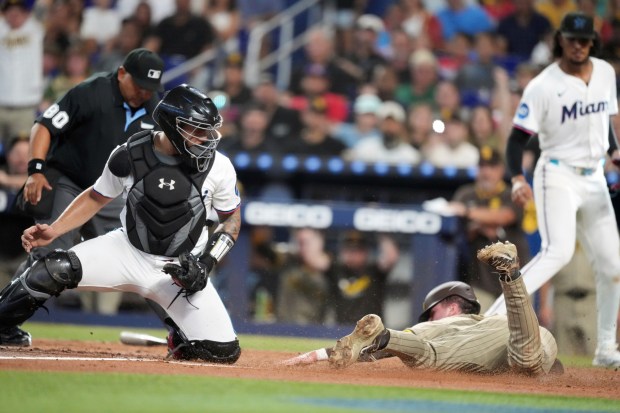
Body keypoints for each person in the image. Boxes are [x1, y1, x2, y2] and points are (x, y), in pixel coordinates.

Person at [0, 84, 243, 364]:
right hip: (126, 251)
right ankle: (3, 326)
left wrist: (206, 263)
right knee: (52, 269)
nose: (206, 138)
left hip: (180, 268)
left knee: (221, 352)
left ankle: (180, 337)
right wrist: (54, 230)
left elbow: (231, 219)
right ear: (171, 125)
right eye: (196, 130)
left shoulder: (220, 166)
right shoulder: (129, 154)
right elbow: (95, 196)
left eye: (208, 130)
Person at [486, 12, 620, 368]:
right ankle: (490, 322)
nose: (579, 45)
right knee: (557, 252)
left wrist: (614, 151)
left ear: (592, 41)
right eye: (573, 39)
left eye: (585, 39)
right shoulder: (543, 85)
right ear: (561, 40)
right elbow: (517, 140)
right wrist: (517, 178)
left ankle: (606, 349)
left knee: (613, 266)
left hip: (594, 177)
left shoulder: (605, 73)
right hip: (556, 173)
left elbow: (603, 120)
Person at [7, 48, 164, 342]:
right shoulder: (90, 93)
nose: (144, 92)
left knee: (147, 257)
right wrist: (36, 170)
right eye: (139, 85)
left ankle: (181, 332)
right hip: (73, 181)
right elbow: (44, 126)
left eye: (150, 88)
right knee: (50, 255)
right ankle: (4, 320)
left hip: (115, 192)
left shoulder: (156, 106)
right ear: (121, 73)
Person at [284, 241, 562, 376]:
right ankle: (510, 274)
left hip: (496, 337)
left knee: (428, 357)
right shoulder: (482, 320)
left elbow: (414, 341)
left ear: (452, 307)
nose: (430, 317)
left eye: (432, 311)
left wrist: (317, 355)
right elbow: (555, 370)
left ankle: (384, 334)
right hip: (538, 336)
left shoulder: (451, 322)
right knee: (528, 360)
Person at [448, 147, 530, 311]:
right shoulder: (466, 194)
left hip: (515, 281)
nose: (486, 172)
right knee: (480, 331)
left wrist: (469, 212)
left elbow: (505, 216)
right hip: (479, 281)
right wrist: (483, 224)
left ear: (501, 169)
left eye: (491, 167)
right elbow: (460, 229)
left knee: (517, 333)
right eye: (483, 167)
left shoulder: (511, 194)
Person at [0, 0, 44, 150]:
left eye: (18, 10)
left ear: (26, 13)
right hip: (0, 103)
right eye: (10, 10)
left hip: (26, 106)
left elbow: (43, 6)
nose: (14, 14)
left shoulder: (35, 28)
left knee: (22, 153)